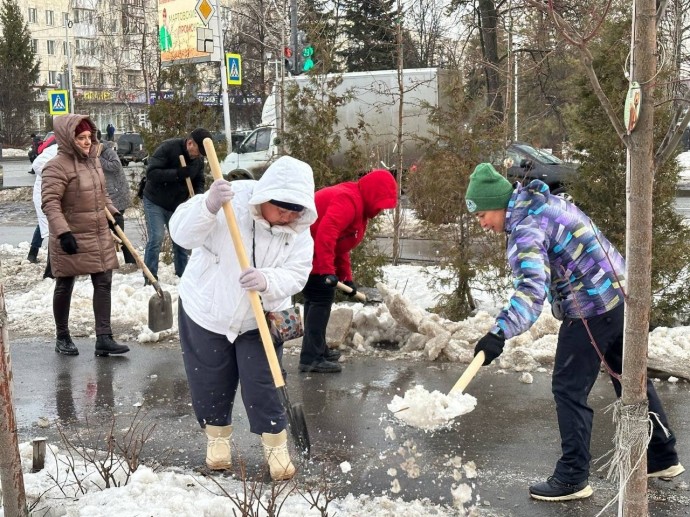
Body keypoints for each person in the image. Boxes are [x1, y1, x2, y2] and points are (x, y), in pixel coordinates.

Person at [464, 163, 684, 502]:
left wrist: (499, 332)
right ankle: (661, 456)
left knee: (568, 387)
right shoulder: (543, 202)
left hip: (590, 306)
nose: (482, 223)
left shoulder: (526, 228)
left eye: (482, 214)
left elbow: (531, 291)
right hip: (619, 294)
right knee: (629, 376)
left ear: (498, 203)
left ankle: (572, 477)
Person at [169, 155, 317, 480]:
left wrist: (267, 280)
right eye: (281, 209)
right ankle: (217, 441)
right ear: (265, 197)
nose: (288, 216)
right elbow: (181, 235)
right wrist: (206, 206)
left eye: (296, 211)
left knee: (263, 383)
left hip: (259, 318)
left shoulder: (298, 231)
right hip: (207, 310)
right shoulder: (230, 201)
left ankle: (276, 448)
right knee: (210, 380)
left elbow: (298, 273)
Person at [41, 114, 129, 357]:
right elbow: (50, 203)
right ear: (69, 139)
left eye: (89, 137)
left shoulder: (93, 162)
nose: (87, 142)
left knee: (103, 282)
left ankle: (104, 337)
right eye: (81, 138)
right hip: (71, 235)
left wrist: (113, 213)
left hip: (97, 232)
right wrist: (63, 232)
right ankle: (62, 336)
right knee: (65, 284)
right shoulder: (55, 166)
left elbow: (102, 195)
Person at [299, 169, 398, 373]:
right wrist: (326, 270)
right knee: (319, 300)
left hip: (315, 253)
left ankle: (317, 350)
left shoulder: (358, 204)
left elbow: (340, 244)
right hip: (310, 253)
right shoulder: (348, 200)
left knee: (318, 302)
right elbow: (327, 233)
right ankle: (311, 358)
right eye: (380, 204)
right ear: (372, 193)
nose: (380, 211)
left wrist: (346, 278)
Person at [141, 128, 209, 281]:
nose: (198, 156)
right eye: (198, 151)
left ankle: (182, 275)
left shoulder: (198, 161)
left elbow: (199, 180)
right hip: (155, 201)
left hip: (177, 205)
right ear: (190, 143)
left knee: (180, 238)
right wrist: (177, 174)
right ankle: (150, 277)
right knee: (156, 237)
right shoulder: (168, 148)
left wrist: (197, 198)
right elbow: (151, 173)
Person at [97, 130, 135, 265]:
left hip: (116, 196)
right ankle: (127, 260)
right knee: (112, 231)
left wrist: (98, 158)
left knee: (117, 230)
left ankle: (130, 261)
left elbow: (115, 165)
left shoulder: (107, 152)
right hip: (107, 197)